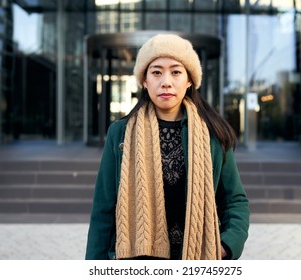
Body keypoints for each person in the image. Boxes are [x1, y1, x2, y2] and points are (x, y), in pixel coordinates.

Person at [85, 33, 249, 260]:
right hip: (137, 261)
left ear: (190, 79)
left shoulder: (214, 133)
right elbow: (103, 209)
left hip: (197, 259)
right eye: (156, 72)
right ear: (144, 80)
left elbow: (234, 201)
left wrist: (226, 245)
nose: (166, 82)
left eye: (176, 71)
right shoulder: (120, 133)